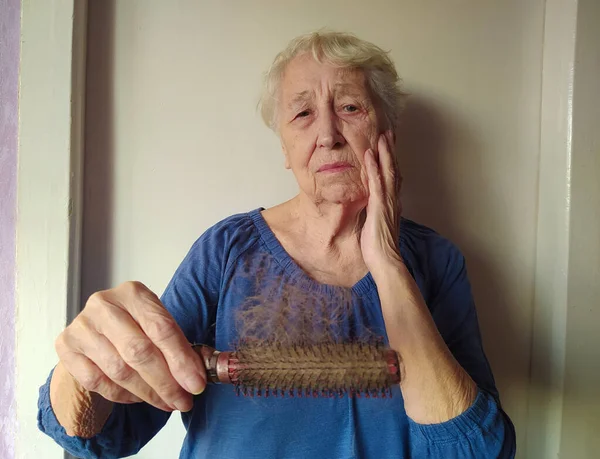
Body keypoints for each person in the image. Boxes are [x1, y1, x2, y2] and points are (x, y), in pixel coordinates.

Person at [38, 31, 516, 458]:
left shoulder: (435, 261)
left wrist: (388, 265)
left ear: (384, 131)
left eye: (350, 107)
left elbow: (476, 450)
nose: (327, 135)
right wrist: (83, 369)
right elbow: (106, 434)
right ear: (285, 149)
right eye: (303, 113)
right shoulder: (226, 250)